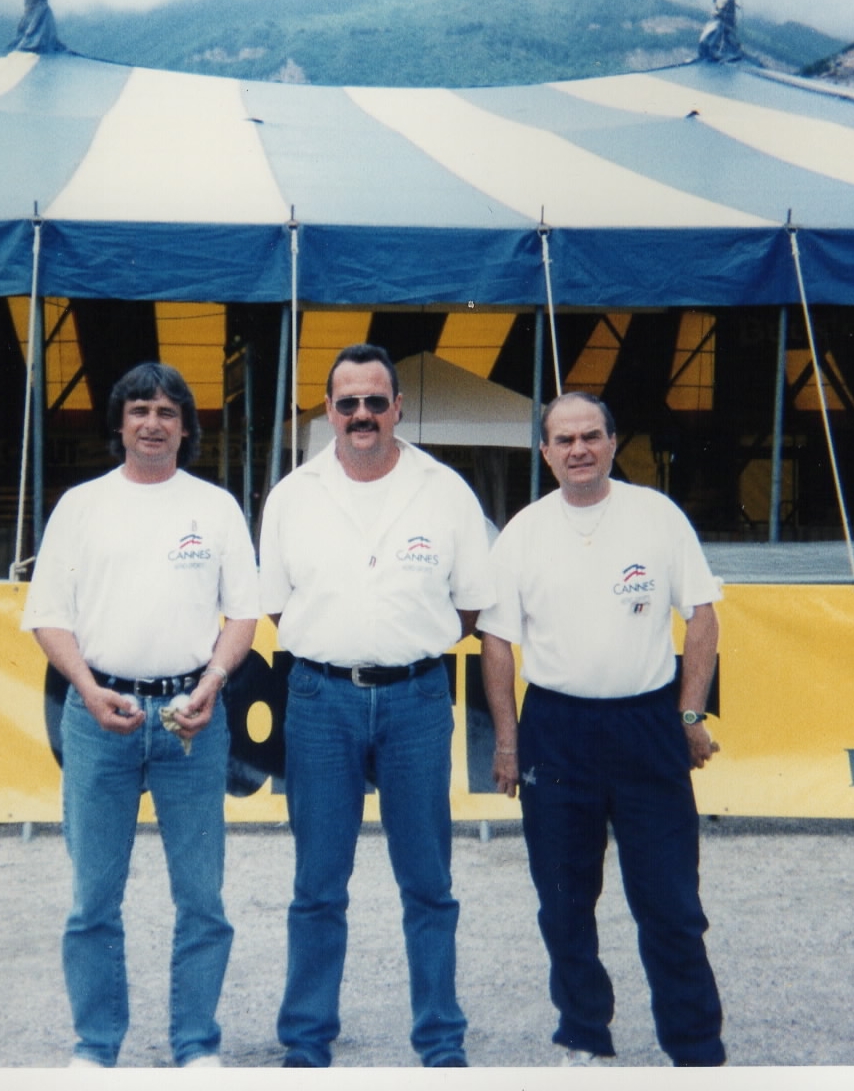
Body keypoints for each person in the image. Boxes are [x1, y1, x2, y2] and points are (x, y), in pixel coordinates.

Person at [257, 342, 495, 1068]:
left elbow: (469, 606)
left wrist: (401, 647)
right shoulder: (293, 495)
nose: (362, 414)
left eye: (374, 401)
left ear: (398, 407)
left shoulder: (445, 491)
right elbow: (277, 606)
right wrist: (343, 648)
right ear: (329, 411)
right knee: (317, 884)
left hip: (416, 700)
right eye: (347, 403)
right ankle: (306, 1041)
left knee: (428, 882)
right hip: (319, 700)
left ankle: (441, 1041)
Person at [21, 362, 259, 1069]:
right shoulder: (80, 507)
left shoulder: (215, 507)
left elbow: (244, 615)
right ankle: (96, 1049)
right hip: (100, 716)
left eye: (166, 412)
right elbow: (48, 616)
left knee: (202, 898)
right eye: (139, 410)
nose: (152, 423)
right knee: (93, 898)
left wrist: (212, 683)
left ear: (186, 429)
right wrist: (88, 689)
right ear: (120, 424)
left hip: (192, 721)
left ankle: (196, 1047)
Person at [477, 391, 726, 1067]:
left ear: (614, 442)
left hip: (647, 725)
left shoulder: (657, 516)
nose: (579, 449)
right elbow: (496, 643)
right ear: (545, 452)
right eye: (564, 440)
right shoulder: (523, 532)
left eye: (591, 436)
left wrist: (690, 714)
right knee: (563, 902)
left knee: (671, 902)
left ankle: (696, 1048)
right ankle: (585, 1035)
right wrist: (508, 743)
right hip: (557, 730)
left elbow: (702, 616)